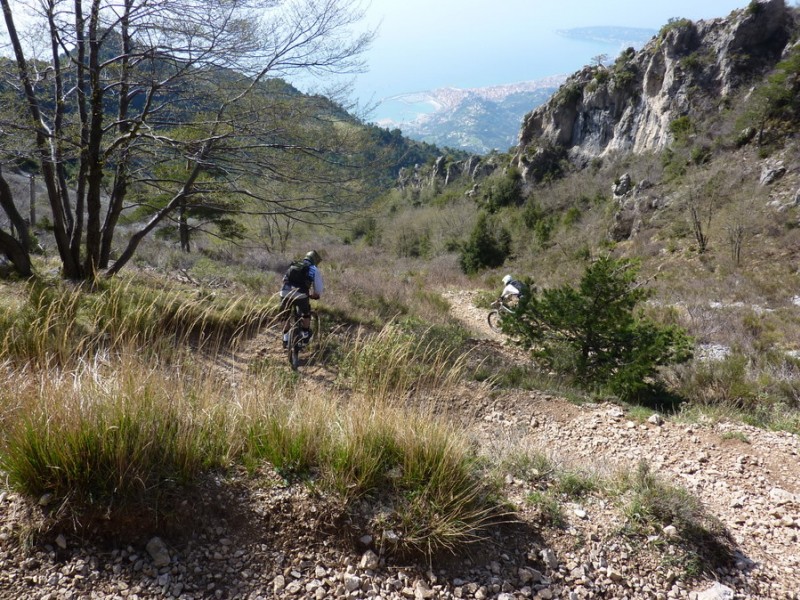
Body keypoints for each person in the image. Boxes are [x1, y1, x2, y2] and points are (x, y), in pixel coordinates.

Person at [280, 250, 324, 348]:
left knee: (285, 316)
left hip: (285, 292)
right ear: (315, 260)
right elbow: (319, 288)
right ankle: (305, 335)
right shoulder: (313, 269)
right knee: (306, 313)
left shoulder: (294, 264)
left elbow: (284, 280)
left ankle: (285, 339)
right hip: (301, 294)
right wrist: (315, 295)